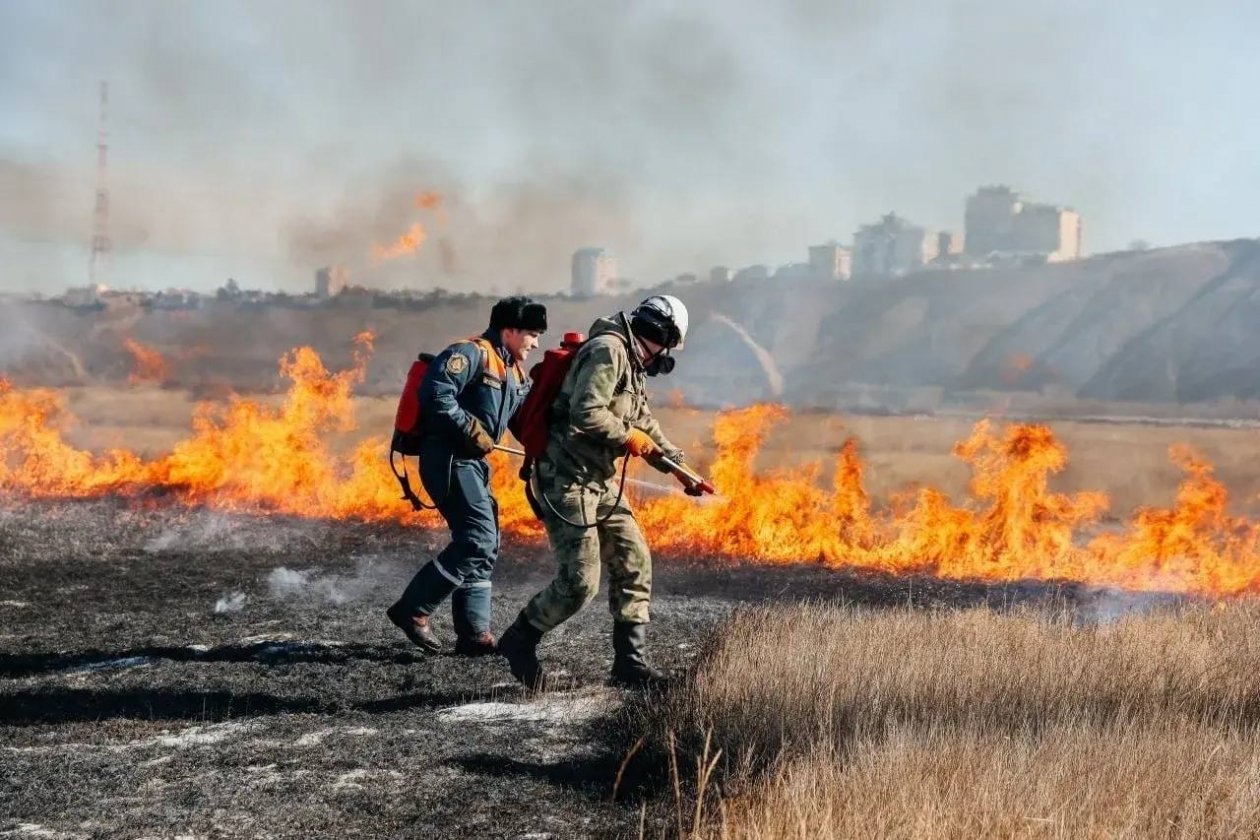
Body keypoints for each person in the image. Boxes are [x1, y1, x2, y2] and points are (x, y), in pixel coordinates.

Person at [497, 294, 691, 688]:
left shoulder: (632, 365)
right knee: (579, 583)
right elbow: (588, 413)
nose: (664, 356)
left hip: (599, 481)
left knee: (634, 559)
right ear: (658, 333)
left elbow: (645, 424)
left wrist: (680, 468)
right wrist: (628, 437)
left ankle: (629, 665)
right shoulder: (608, 351)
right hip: (566, 478)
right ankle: (519, 640)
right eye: (666, 345)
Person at [386, 296, 547, 656]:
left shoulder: (514, 373)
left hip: (472, 464)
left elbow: (521, 422)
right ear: (510, 330)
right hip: (448, 458)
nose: (536, 343)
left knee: (485, 545)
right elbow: (436, 393)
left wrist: (548, 451)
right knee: (476, 539)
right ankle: (413, 608)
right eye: (532, 334)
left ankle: (474, 635)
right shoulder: (470, 353)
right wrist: (469, 428)